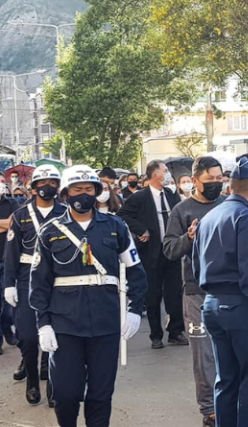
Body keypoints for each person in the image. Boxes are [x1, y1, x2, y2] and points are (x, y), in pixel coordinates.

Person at [30, 164, 147, 427]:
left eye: (89, 189)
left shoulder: (116, 226)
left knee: (100, 394)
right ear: (65, 194)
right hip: (64, 324)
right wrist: (43, 323)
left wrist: (134, 309)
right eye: (77, 189)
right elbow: (39, 283)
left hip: (105, 322)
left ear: (97, 192)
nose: (83, 194)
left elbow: (136, 271)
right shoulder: (50, 231)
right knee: (66, 394)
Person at [193, 158, 248, 427]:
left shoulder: (208, 217)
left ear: (230, 187)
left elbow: (197, 267)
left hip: (212, 304)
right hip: (241, 305)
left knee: (226, 378)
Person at [163, 156, 224, 427]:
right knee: (204, 354)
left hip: (231, 291)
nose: (214, 184)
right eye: (209, 179)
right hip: (196, 291)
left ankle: (231, 402)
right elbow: (169, 250)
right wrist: (187, 238)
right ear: (195, 180)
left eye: (219, 179)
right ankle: (209, 410)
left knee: (231, 351)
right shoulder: (182, 210)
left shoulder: (230, 206)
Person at [4, 165, 67, 405]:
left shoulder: (65, 212)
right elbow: (11, 251)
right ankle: (32, 380)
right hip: (26, 279)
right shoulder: (21, 215)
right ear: (33, 187)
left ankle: (53, 382)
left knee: (57, 335)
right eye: (42, 183)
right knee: (29, 337)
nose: (47, 187)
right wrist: (9, 283)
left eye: (52, 182)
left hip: (57, 279)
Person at [118, 160, 186, 349]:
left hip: (171, 250)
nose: (167, 175)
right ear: (154, 174)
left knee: (174, 293)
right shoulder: (140, 197)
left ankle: (176, 331)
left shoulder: (171, 196)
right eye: (164, 171)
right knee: (153, 294)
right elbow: (123, 214)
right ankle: (156, 335)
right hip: (151, 252)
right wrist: (141, 230)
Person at [0, 174, 19, 356]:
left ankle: (7, 327)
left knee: (7, 302)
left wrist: (7, 225)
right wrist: (4, 224)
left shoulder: (11, 203)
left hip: (7, 257)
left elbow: (15, 224)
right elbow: (8, 223)